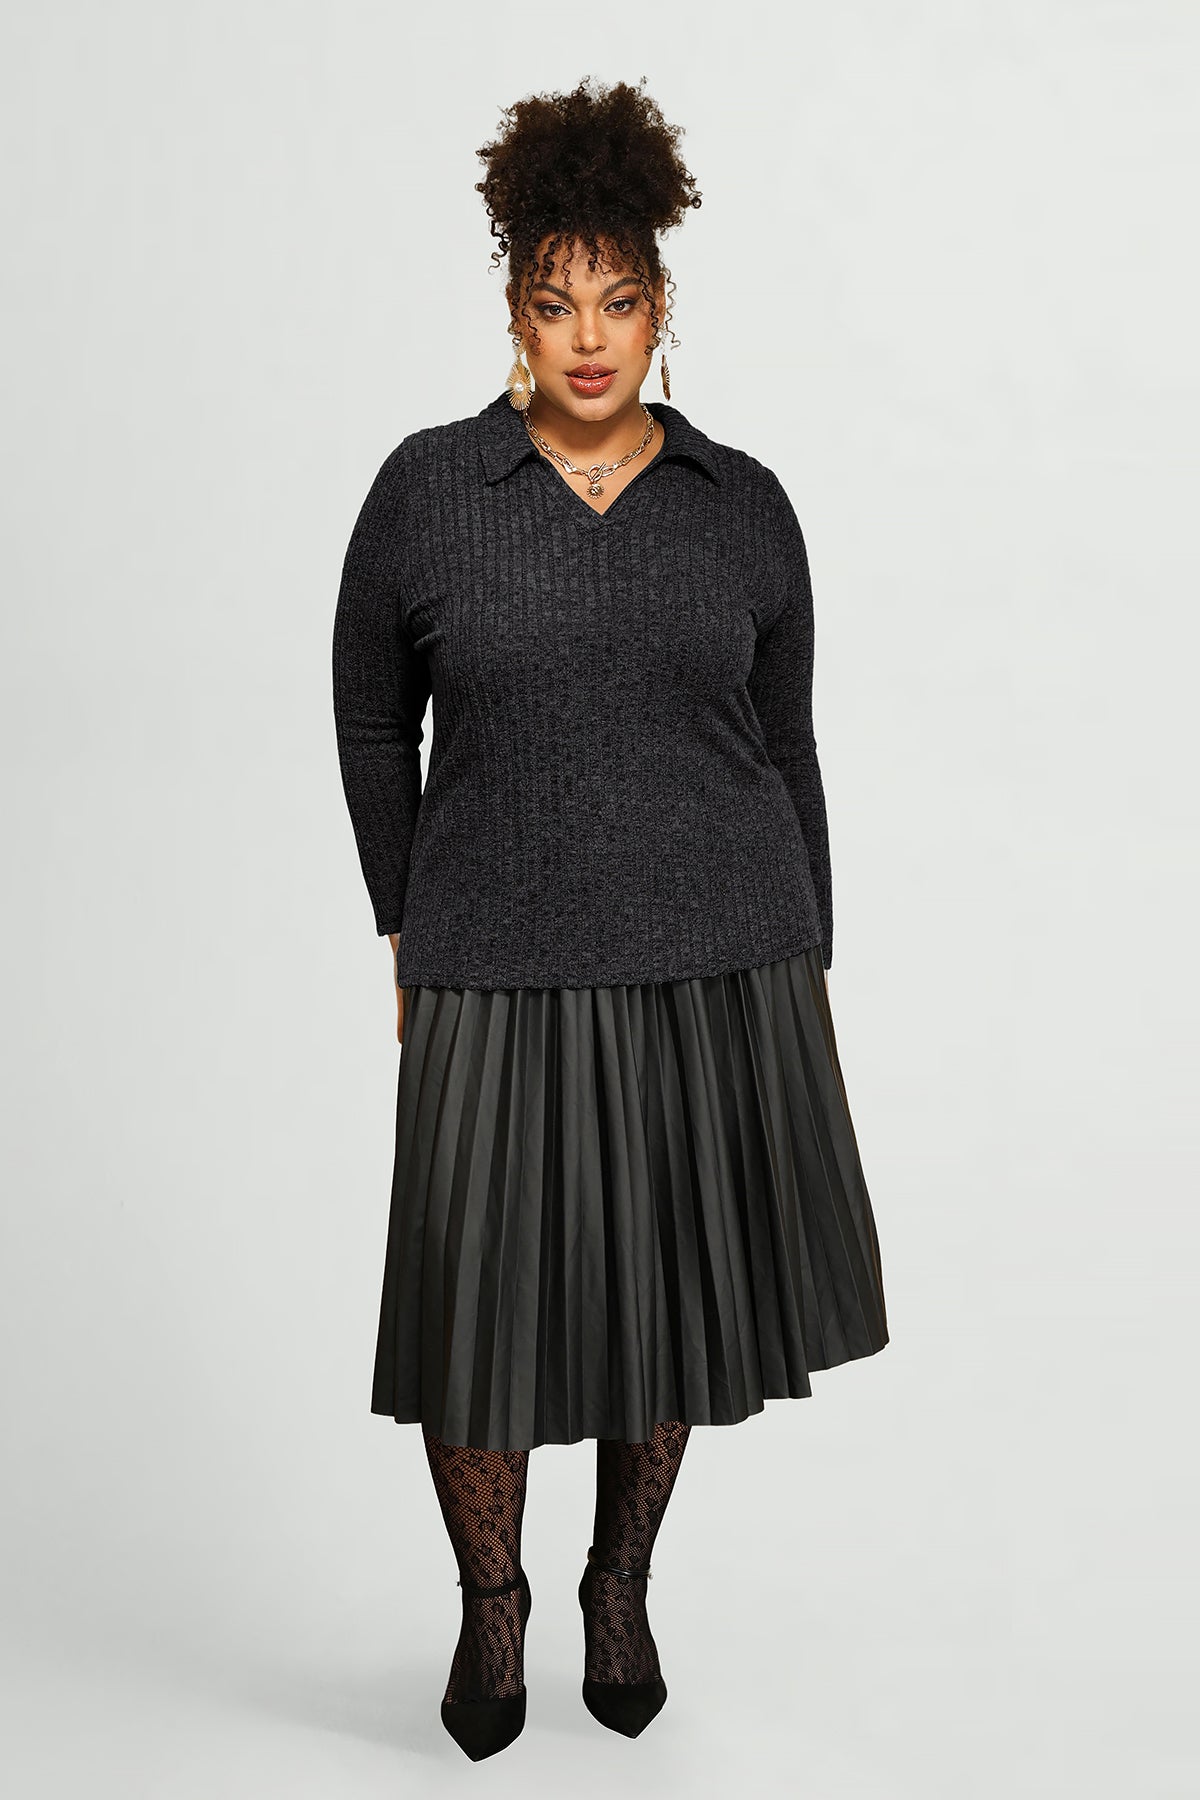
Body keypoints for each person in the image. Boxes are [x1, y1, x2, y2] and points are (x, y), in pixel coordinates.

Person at [331, 75, 889, 1761]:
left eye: (620, 300)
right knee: (481, 1313)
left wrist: (812, 957)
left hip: (720, 954)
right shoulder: (431, 491)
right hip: (493, 953)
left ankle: (619, 1584)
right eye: (555, 301)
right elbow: (372, 719)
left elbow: (787, 746)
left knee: (670, 1299)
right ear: (512, 308)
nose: (589, 338)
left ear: (662, 306)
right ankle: (493, 1603)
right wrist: (403, 925)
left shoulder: (743, 503)